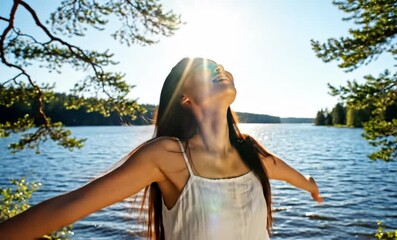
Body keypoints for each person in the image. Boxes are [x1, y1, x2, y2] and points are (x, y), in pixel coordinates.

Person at [0, 57, 323, 240]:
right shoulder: (167, 157)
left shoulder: (250, 152)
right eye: (203, 70)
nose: (218, 70)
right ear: (185, 98)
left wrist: (309, 186)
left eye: (220, 66)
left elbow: (282, 170)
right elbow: (71, 204)